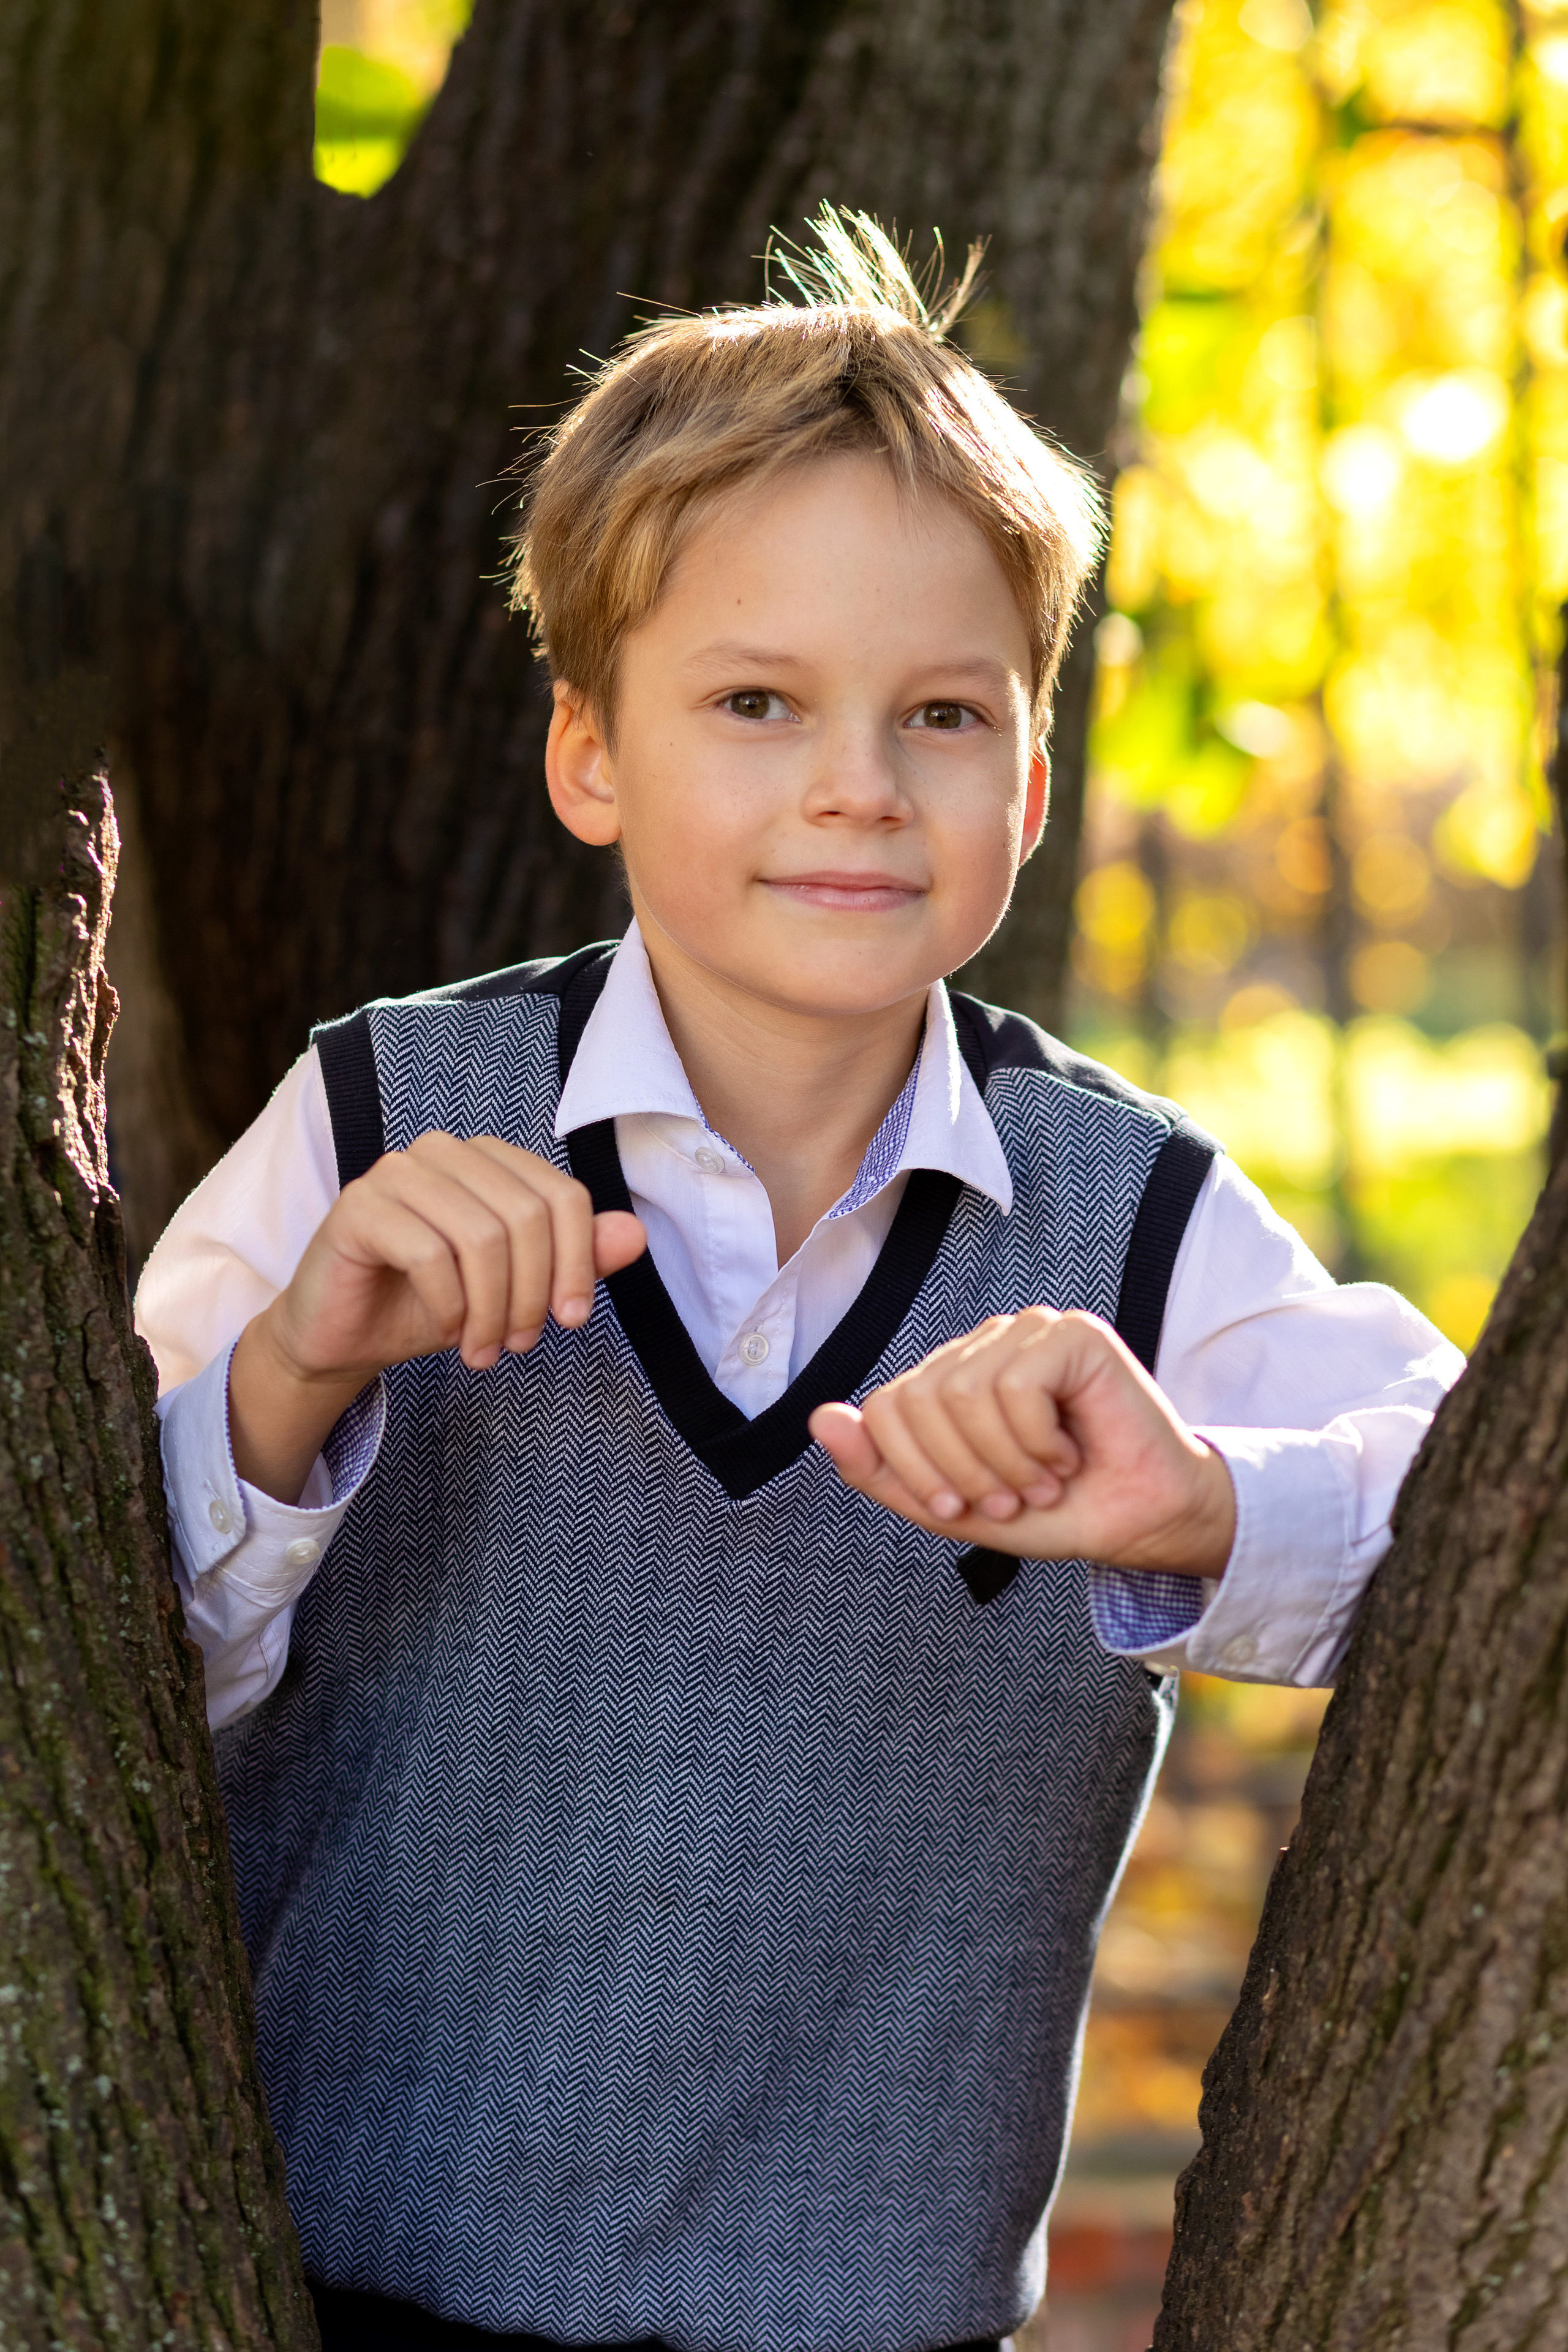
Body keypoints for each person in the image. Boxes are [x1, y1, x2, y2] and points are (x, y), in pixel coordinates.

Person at [137, 213, 1462, 2352]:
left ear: (1028, 780)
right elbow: (93, 1698)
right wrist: (293, 1378)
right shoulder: (375, 1123)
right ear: (591, 752)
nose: (857, 783)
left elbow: (1474, 1523)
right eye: (756, 700)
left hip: (883, 2333)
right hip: (327, 2300)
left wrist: (1196, 1500)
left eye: (940, 713)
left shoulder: (1124, 1216)